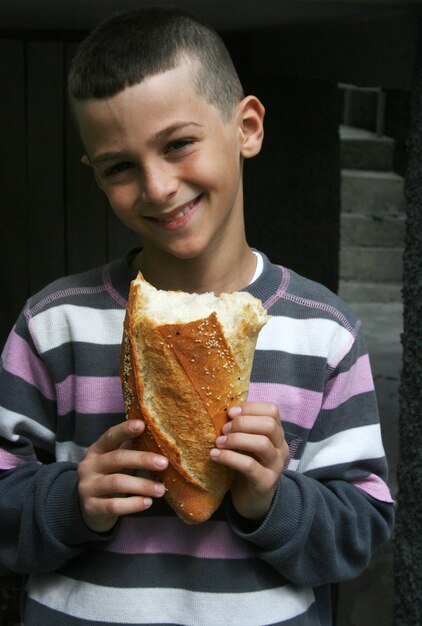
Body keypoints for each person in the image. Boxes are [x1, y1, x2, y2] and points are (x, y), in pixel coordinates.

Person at [0, 7, 394, 626]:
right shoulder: (54, 324)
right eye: (120, 166)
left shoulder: (325, 332)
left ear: (248, 128)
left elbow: (362, 531)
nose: (157, 187)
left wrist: (270, 500)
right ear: (96, 176)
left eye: (179, 144)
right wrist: (70, 499)